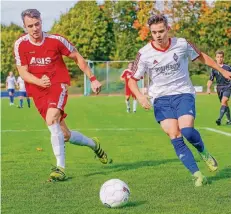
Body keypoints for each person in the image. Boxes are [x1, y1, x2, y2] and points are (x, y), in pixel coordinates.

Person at [128, 14, 231, 187]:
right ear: (150, 33)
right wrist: (139, 96)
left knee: (188, 131)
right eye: (154, 33)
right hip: (161, 99)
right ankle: (197, 175)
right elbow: (132, 79)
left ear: (168, 29)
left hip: (183, 93)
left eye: (161, 31)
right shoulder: (144, 54)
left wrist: (221, 70)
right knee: (174, 135)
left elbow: (201, 56)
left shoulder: (182, 44)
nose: (158, 35)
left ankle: (203, 152)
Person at [14, 9, 112, 182]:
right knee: (64, 135)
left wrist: (93, 79)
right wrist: (38, 82)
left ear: (41, 22)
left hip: (57, 85)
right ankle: (94, 144)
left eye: (37, 24)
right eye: (30, 26)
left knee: (51, 119)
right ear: (25, 26)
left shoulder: (56, 40)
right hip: (38, 91)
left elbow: (77, 58)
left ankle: (60, 168)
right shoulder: (20, 45)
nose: (35, 28)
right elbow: (23, 72)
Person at [207, 50, 231, 125]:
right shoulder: (213, 68)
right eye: (218, 57)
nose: (219, 58)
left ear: (223, 58)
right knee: (225, 104)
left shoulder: (228, 67)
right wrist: (208, 88)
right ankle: (229, 120)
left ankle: (219, 119)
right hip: (219, 88)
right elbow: (211, 79)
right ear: (215, 58)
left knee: (224, 101)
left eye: (221, 57)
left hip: (228, 86)